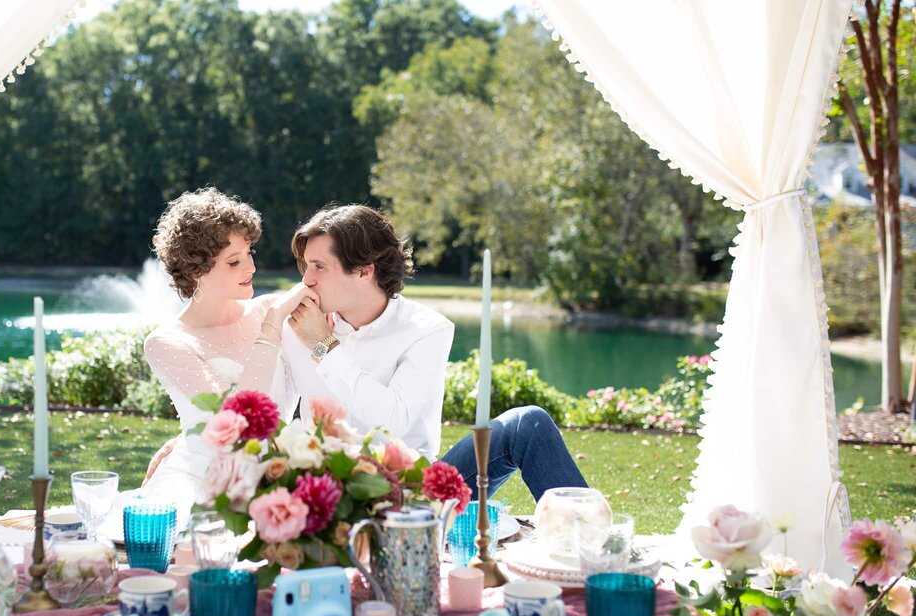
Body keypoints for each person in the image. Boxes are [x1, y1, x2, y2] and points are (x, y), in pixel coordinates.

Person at [282, 204, 588, 502]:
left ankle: (593, 541)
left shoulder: (426, 329)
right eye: (306, 265)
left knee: (527, 423)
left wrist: (324, 347)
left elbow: (394, 422)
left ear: (364, 271)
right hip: (327, 492)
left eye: (319, 266)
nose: (306, 279)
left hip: (416, 492)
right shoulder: (297, 325)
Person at [140, 188, 312, 508]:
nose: (251, 268)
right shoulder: (167, 342)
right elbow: (233, 422)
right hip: (201, 477)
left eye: (250, 254)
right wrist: (272, 326)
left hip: (279, 470)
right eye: (234, 262)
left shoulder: (272, 308)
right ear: (195, 271)